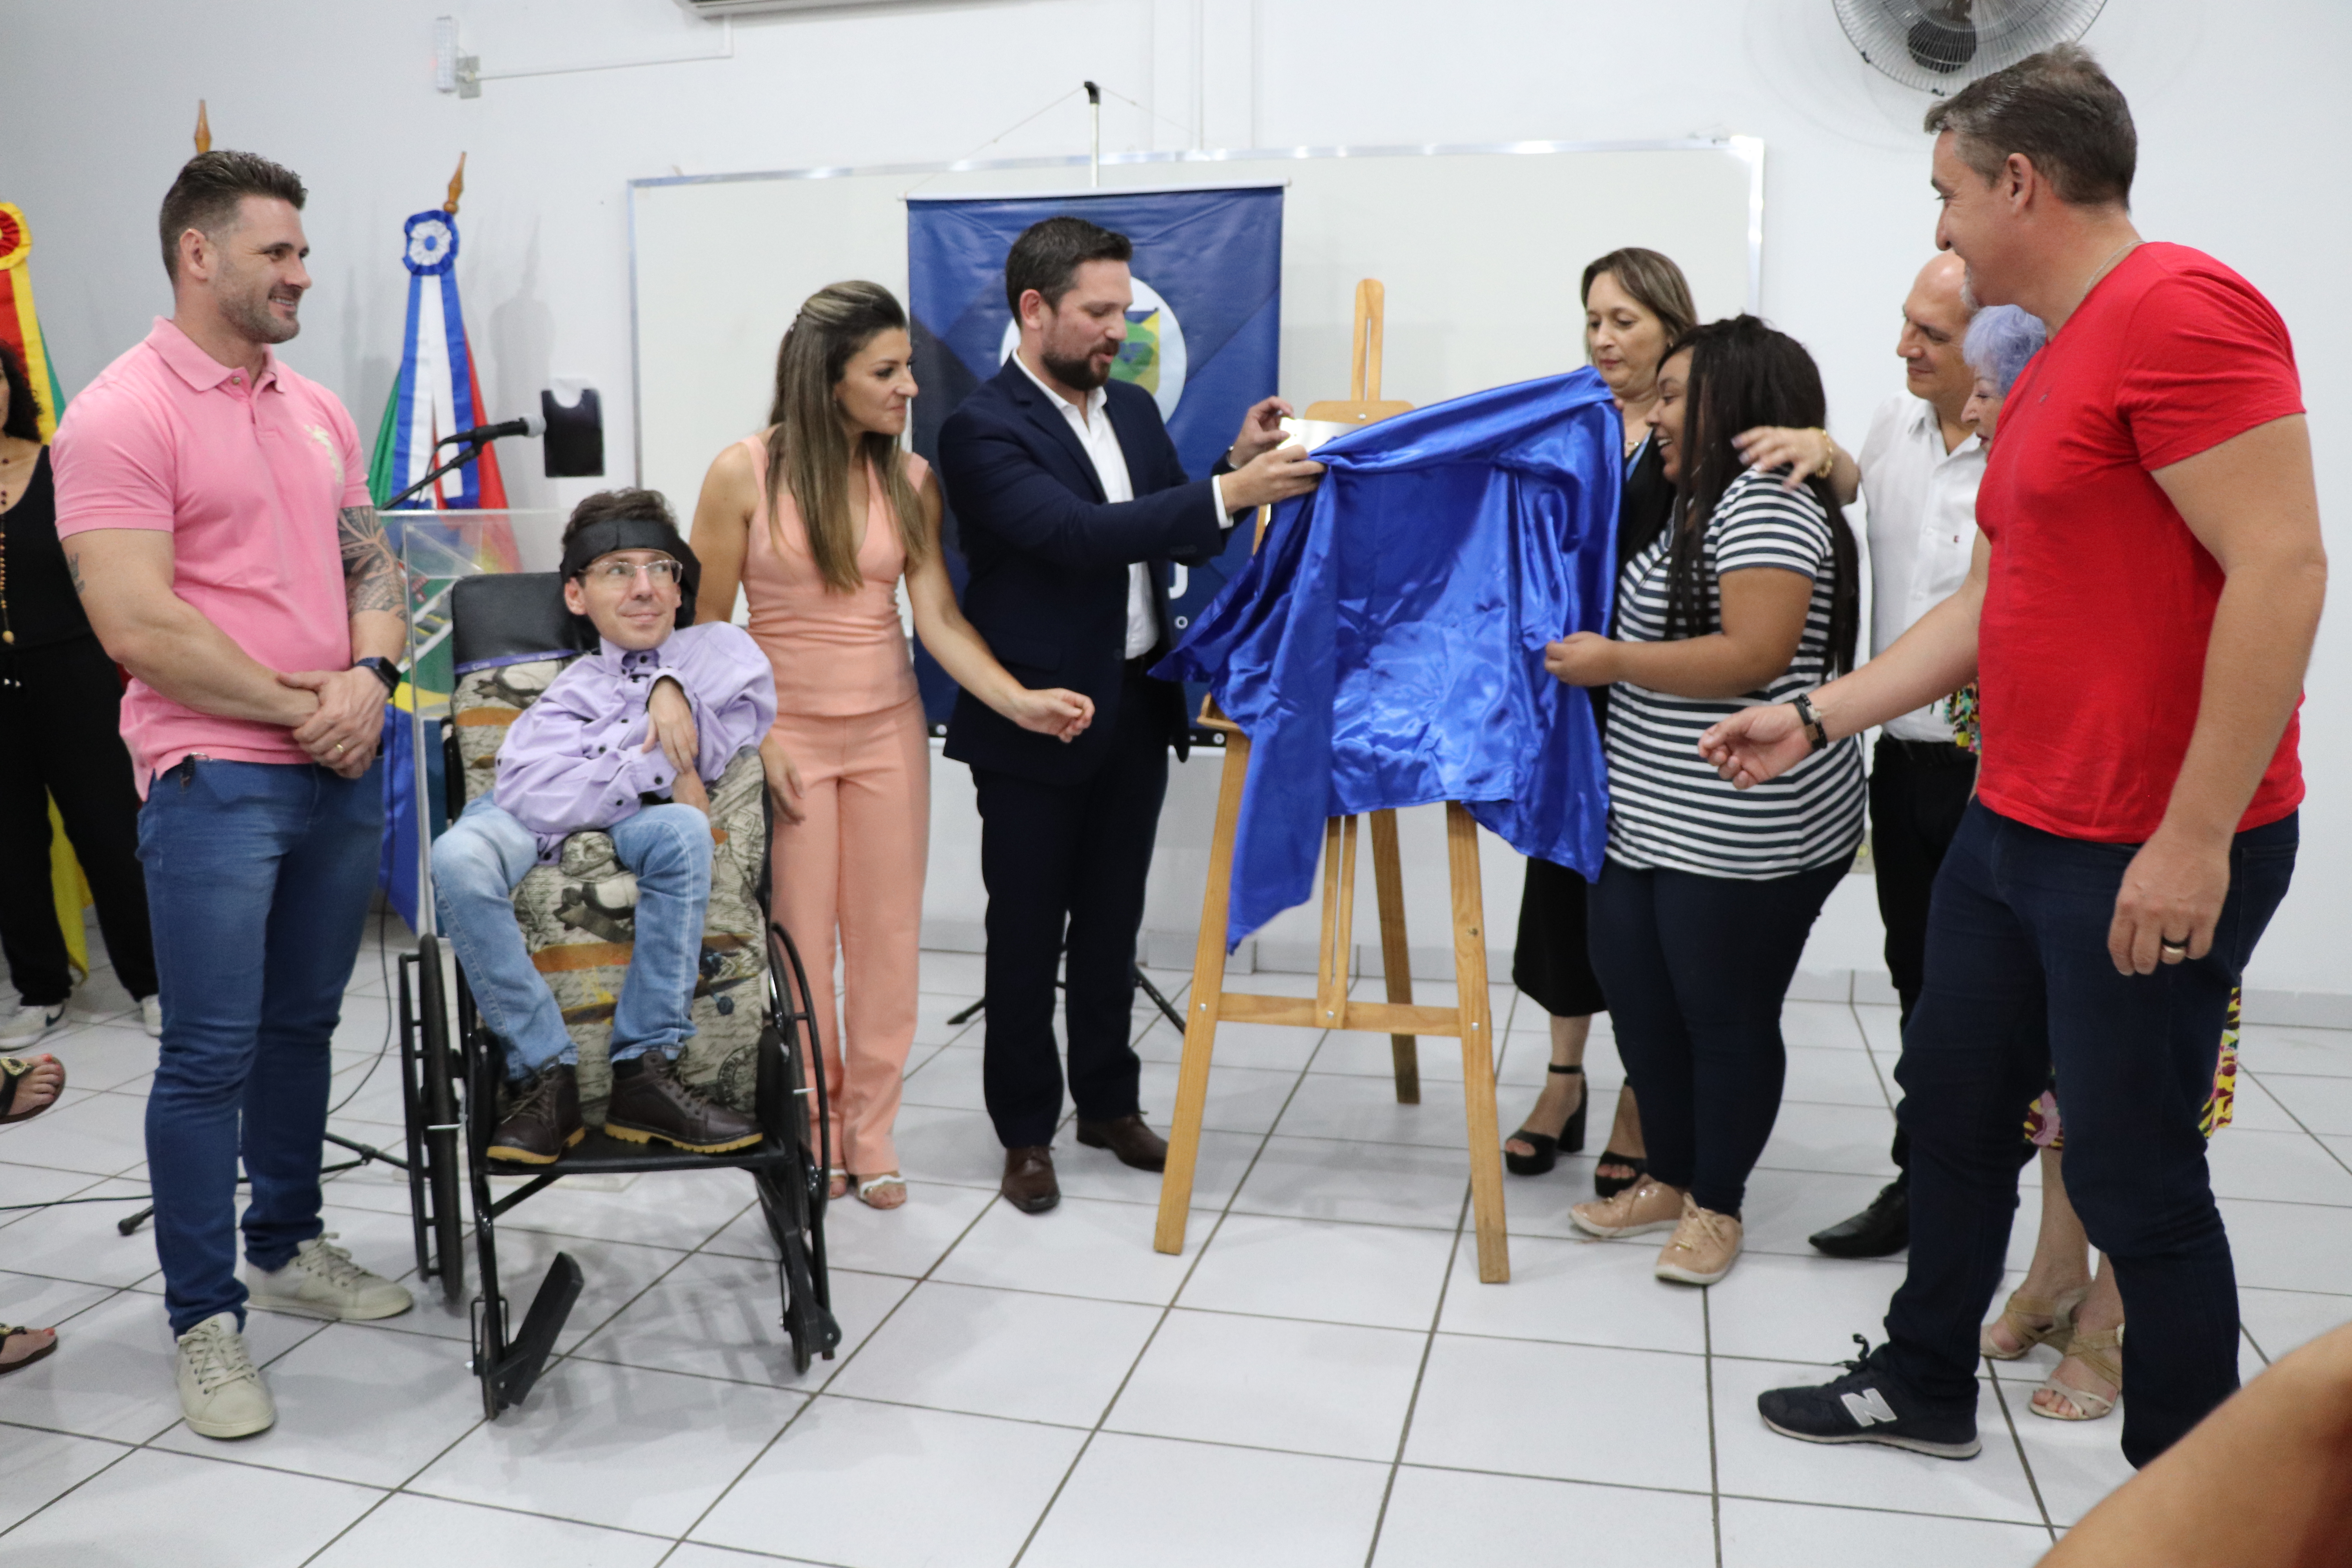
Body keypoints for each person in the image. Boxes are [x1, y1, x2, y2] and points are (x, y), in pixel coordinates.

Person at [1715, 46, 2322, 1468]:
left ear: (2019, 182)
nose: (1939, 228)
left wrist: (2193, 839)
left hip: (2146, 836)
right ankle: (1924, 1381)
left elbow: (2283, 570)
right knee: (1956, 1113)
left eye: (1946, 195)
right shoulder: (2043, 362)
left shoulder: (2182, 309)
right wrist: (1818, 715)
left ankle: (2192, 1494)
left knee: (2132, 1170)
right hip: (2017, 820)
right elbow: (1993, 609)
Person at [55, 151, 419, 1441]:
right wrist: (305, 706)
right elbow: (138, 622)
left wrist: (369, 675)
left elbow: (374, 561)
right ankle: (204, 1320)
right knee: (207, 1056)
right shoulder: (117, 414)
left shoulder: (312, 404)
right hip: (216, 776)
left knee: (301, 1027)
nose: (302, 274)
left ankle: (287, 1239)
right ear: (198, 254)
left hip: (333, 763)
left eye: (302, 253)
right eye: (279, 252)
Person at [935, 215, 1323, 1214]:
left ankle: (1108, 1102)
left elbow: (1166, 528)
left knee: (1113, 925)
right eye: (1099, 311)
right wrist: (1233, 491)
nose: (1118, 328)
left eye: (1126, 309)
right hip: (1036, 721)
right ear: (1036, 310)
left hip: (1137, 705)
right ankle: (1026, 1130)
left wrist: (1235, 460)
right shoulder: (981, 428)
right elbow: (1076, 534)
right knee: (1026, 935)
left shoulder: (1137, 410)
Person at [689, 281, 1093, 1211]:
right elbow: (705, 631)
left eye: (907, 366)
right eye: (887, 369)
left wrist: (1017, 699)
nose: (911, 385)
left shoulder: (909, 482)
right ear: (826, 379)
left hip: (886, 733)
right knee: (800, 942)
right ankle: (814, 1132)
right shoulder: (741, 473)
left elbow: (938, 620)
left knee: (885, 944)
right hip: (783, 736)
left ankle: (870, 1133)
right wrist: (752, 742)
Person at [1544, 314, 1866, 1287]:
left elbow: (1755, 654)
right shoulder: (1697, 503)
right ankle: (1669, 1176)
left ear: (1735, 405)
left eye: (1680, 394)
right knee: (1644, 1009)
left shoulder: (1766, 502)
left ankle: (1715, 1203)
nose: (1662, 410)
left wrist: (1611, 660)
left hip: (1743, 827)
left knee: (1721, 1015)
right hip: (1648, 814)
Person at [1734, 254, 1986, 1260]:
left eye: (1931, 334)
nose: (1904, 347)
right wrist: (1824, 450)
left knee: (1995, 1006)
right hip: (1904, 760)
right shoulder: (1896, 421)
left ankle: (1990, 1194)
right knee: (1918, 982)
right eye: (1906, 324)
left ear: (2000, 336)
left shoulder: (2034, 443)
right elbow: (1863, 482)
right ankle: (1919, 1183)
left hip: (1998, 766)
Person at [434, 489, 775, 1165]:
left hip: (645, 824)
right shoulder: (568, 689)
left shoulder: (722, 649)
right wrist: (651, 727)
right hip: (524, 821)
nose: (644, 588)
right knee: (457, 858)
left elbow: (711, 745)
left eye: (660, 568)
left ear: (681, 588)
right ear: (576, 597)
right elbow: (529, 796)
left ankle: (645, 1069)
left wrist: (666, 686)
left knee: (680, 829)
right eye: (618, 570)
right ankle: (544, 1071)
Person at [1503, 248, 1687, 1198]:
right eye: (1593, 321)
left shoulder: (1702, 416)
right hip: (1569, 698)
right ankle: (1563, 1081)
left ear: (1669, 323)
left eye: (1623, 319)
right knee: (1562, 889)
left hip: (1653, 697)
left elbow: (1832, 470)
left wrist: (1825, 449)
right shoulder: (1569, 414)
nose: (1605, 338)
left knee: (1640, 909)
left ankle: (1640, 1097)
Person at [0, 339, 161, 1044]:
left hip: (75, 672)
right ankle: (39, 989)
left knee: (109, 832)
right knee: (9, 845)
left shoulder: (60, 463)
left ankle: (152, 982)